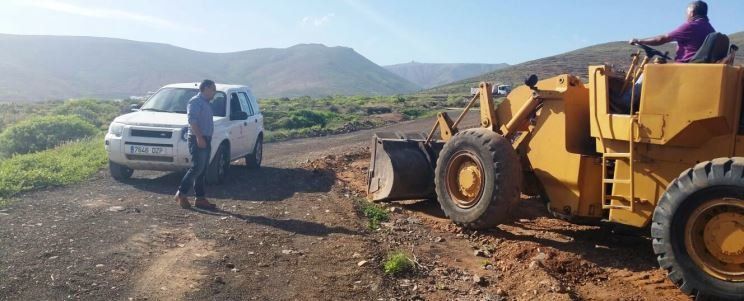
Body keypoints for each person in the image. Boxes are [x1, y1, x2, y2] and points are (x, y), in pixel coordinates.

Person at [617, 1, 715, 112]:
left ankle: (625, 102)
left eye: (686, 13)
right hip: (694, 69)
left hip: (684, 69)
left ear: (692, 12)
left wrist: (639, 40)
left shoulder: (691, 26)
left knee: (650, 72)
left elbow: (662, 39)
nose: (686, 15)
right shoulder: (710, 29)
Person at [175, 80, 218, 210]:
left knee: (202, 169)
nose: (214, 92)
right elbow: (192, 121)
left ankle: (200, 198)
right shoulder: (195, 101)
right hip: (197, 138)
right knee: (197, 168)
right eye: (213, 89)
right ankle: (181, 193)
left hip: (205, 137)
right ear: (205, 88)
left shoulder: (205, 103)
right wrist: (199, 137)